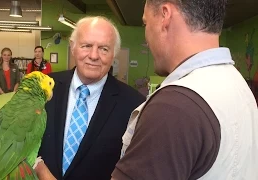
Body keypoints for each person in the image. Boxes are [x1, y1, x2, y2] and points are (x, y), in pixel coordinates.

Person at [110, 0, 258, 180]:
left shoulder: (172, 107)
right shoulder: (239, 85)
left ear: (165, 15)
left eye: (145, 23)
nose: (146, 39)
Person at [35, 16, 145, 180]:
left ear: (114, 54)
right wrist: (40, 170)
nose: (94, 56)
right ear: (73, 47)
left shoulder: (134, 105)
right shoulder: (43, 88)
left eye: (104, 49)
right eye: (86, 46)